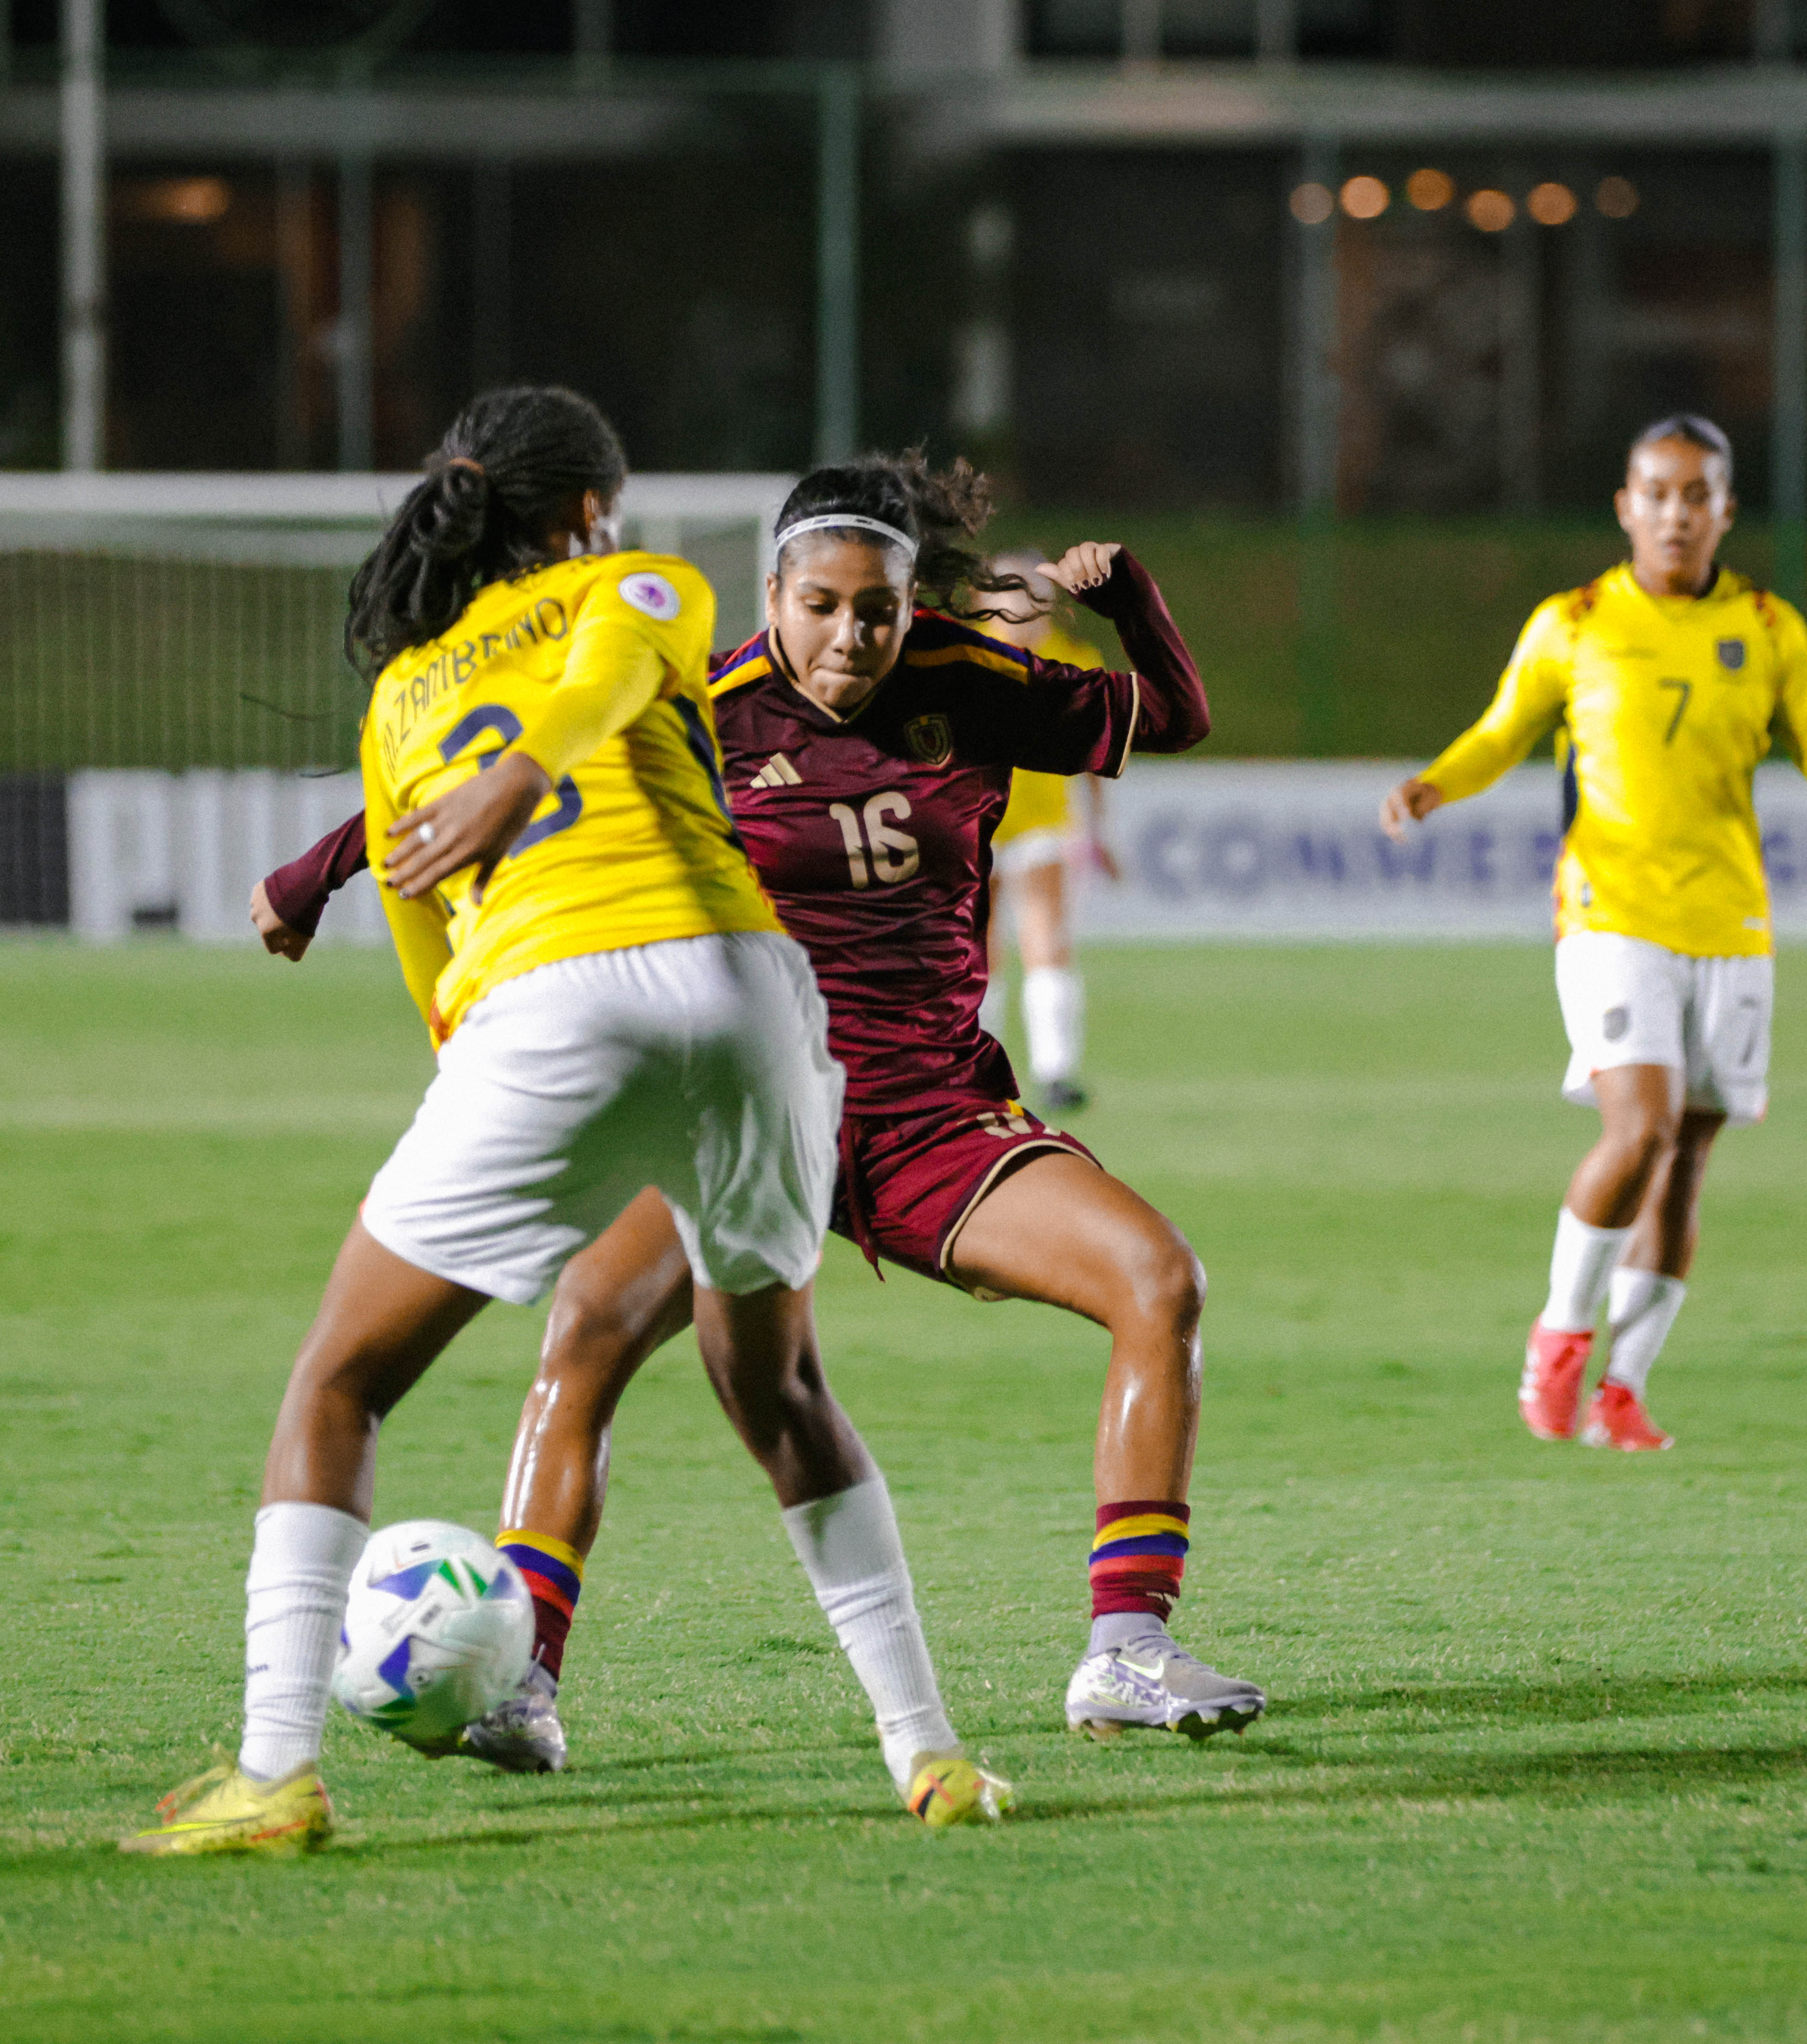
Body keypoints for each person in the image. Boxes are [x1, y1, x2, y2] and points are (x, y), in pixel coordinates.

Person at [254, 451, 1259, 1769]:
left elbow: (1171, 718)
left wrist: (1130, 598)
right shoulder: (699, 705)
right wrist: (317, 872)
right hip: (745, 1097)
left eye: (879, 610)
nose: (852, 636)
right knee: (585, 1342)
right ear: (772, 592)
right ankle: (519, 1682)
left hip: (926, 1118)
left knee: (1157, 1279)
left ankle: (1124, 1651)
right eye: (825, 605)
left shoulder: (970, 681)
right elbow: (497, 777)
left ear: (911, 602)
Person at [126, 389, 1010, 1857]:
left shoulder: (404, 694)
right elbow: (604, 672)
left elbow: (427, 946)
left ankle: (274, 1771)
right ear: (588, 514)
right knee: (777, 1394)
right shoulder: (644, 584)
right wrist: (533, 770)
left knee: (339, 1382)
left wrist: (506, 1060)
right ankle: (930, 1757)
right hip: (750, 1001)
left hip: (547, 1006)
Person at [1380, 416, 1807, 1453]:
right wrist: (1435, 783)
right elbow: (1501, 731)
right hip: (1609, 907)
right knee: (1640, 1127)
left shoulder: (1769, 624)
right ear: (1624, 505)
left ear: (1725, 510)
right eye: (1655, 492)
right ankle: (1560, 1333)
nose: (1674, 512)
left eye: (1695, 494)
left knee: (1688, 1156)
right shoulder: (1572, 621)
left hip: (1731, 917)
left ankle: (1623, 1386)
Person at [976, 548, 1115, 1114]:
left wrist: (1098, 828)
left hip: (1040, 823)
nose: (1024, 601)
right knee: (975, 954)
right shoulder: (963, 655)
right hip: (975, 823)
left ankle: (1054, 1070)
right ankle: (976, 1070)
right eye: (1012, 589)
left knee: (1045, 942)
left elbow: (1092, 753)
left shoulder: (1075, 660)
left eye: (1035, 590)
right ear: (986, 598)